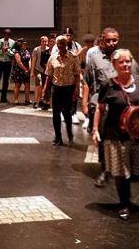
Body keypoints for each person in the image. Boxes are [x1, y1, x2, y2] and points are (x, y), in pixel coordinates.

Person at [92, 49, 139, 221]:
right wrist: (95, 129)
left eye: (129, 61)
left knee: (135, 171)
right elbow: (100, 108)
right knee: (121, 173)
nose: (126, 64)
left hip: (136, 136)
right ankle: (124, 204)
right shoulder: (108, 85)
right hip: (115, 136)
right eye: (122, 62)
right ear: (114, 65)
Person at [82, 27, 121, 188]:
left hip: (120, 103)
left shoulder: (124, 57)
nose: (111, 43)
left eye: (115, 40)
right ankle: (105, 169)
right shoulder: (95, 59)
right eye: (108, 40)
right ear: (102, 40)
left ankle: (123, 167)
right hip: (100, 102)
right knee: (103, 137)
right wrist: (84, 103)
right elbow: (86, 81)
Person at [42, 35, 80, 146]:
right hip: (57, 88)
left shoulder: (73, 57)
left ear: (66, 44)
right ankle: (58, 137)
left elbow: (77, 75)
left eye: (63, 43)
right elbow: (49, 75)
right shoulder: (53, 57)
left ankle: (69, 133)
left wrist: (76, 89)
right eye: (58, 43)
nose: (60, 45)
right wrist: (45, 90)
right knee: (55, 113)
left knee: (67, 113)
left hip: (68, 88)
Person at [0, 28, 15, 103]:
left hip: (8, 63)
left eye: (8, 34)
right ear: (3, 35)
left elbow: (13, 54)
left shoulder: (13, 42)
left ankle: (3, 98)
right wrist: (1, 50)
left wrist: (7, 50)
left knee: (5, 81)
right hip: (0, 62)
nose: (6, 36)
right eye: (5, 34)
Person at [11, 38, 31, 105]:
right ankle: (16, 100)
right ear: (21, 45)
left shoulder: (26, 51)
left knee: (27, 85)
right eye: (24, 44)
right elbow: (19, 62)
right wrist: (25, 69)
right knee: (18, 85)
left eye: (26, 44)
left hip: (27, 70)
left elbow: (29, 59)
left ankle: (27, 100)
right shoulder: (17, 52)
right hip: (18, 70)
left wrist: (29, 68)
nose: (25, 45)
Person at [30, 36, 49, 108]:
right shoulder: (36, 49)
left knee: (44, 86)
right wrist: (32, 71)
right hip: (38, 69)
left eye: (45, 41)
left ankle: (41, 100)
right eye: (43, 41)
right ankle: (36, 101)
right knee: (39, 85)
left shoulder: (49, 49)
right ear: (40, 42)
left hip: (45, 70)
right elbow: (34, 61)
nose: (44, 43)